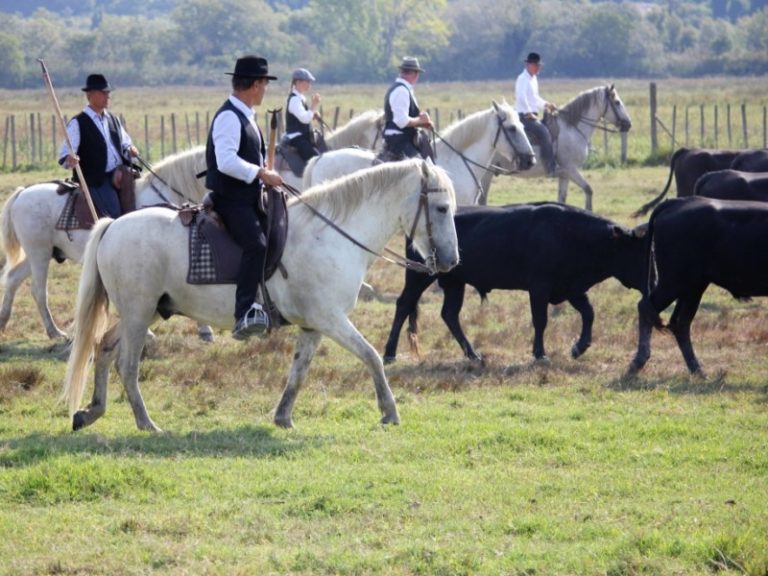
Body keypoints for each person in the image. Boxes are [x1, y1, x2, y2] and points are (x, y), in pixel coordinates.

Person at [205, 55, 283, 340]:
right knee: (257, 245)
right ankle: (243, 313)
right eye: (264, 84)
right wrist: (261, 173)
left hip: (248, 196)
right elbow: (225, 161)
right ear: (253, 85)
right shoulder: (228, 116)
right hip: (231, 198)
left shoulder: (246, 114)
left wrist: (264, 171)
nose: (265, 90)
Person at [59, 73, 139, 218]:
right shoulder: (78, 122)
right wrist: (70, 159)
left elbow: (125, 143)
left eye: (108, 93)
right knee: (114, 214)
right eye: (103, 93)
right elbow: (65, 154)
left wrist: (130, 149)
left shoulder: (113, 119)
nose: (107, 96)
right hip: (96, 179)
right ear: (89, 95)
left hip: (118, 173)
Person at [515, 52, 558, 177]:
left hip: (532, 114)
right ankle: (550, 168)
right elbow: (521, 97)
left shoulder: (533, 79)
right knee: (544, 133)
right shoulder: (522, 78)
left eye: (539, 66)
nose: (538, 68)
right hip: (524, 116)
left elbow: (534, 98)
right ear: (529, 65)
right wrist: (528, 112)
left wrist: (547, 104)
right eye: (536, 65)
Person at [383, 56, 433, 160]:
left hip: (401, 139)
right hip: (400, 142)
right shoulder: (402, 91)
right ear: (415, 74)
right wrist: (420, 120)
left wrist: (422, 123)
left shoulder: (401, 89)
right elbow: (402, 121)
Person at [285, 68, 321, 161]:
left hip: (302, 136)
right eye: (307, 82)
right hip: (296, 138)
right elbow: (304, 119)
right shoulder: (294, 99)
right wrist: (313, 105)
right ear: (298, 82)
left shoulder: (300, 98)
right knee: (317, 160)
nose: (309, 84)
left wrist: (312, 114)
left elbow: (304, 115)